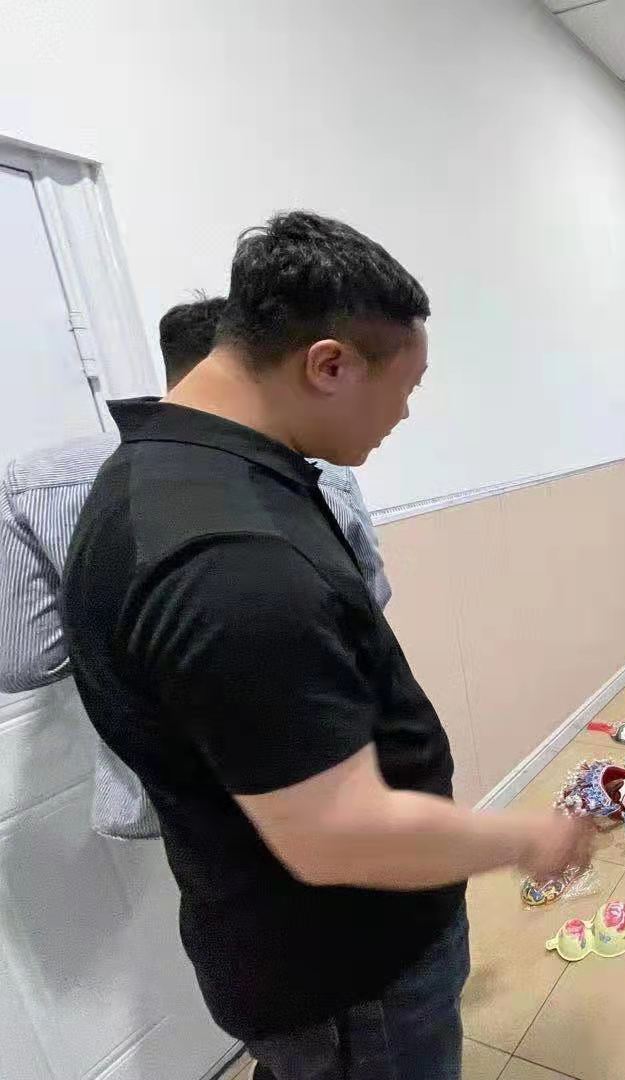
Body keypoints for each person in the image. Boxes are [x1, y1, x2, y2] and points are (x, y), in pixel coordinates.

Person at [61, 211, 592, 1080]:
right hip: (348, 975)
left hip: (301, 953)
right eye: (406, 387)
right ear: (330, 365)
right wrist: (525, 839)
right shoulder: (231, 560)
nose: (406, 413)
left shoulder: (173, 471)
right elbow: (338, 836)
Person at [0, 295, 391, 841]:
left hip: (161, 786)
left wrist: (133, 651)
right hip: (314, 762)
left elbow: (24, 663)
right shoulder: (315, 470)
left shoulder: (39, 484)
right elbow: (369, 600)